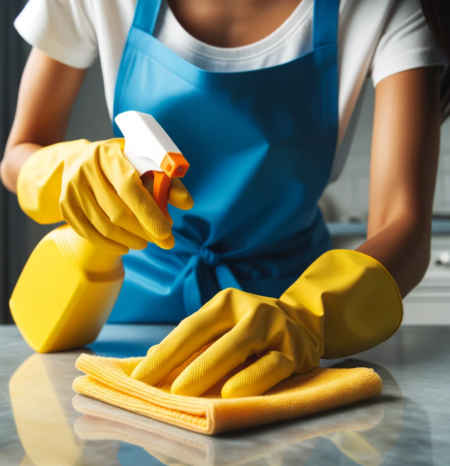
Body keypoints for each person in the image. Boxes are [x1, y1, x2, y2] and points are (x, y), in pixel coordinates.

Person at [1, 0, 448, 398]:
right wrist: (68, 169)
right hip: (114, 321)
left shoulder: (385, 7)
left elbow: (402, 225)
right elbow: (19, 154)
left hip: (278, 342)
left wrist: (307, 318)